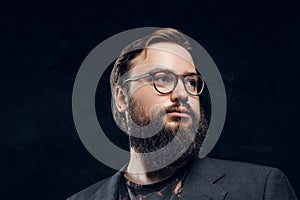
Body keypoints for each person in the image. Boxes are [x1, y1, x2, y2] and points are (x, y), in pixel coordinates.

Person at [68, 28, 298, 200]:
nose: (182, 93)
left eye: (190, 81)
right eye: (162, 79)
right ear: (121, 98)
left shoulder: (261, 189)